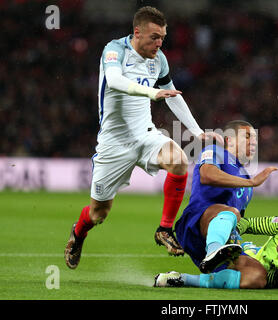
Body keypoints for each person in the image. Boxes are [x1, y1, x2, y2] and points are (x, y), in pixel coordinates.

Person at [64, 6, 222, 269]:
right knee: (98, 214)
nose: (159, 44)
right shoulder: (114, 50)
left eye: (162, 37)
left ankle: (164, 229)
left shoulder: (159, 60)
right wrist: (151, 94)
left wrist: (196, 131)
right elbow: (114, 81)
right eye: (154, 37)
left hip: (145, 135)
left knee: (179, 160)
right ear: (137, 32)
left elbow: (173, 95)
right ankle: (78, 233)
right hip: (114, 144)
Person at [154, 119, 278, 289]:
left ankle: (181, 279)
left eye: (256, 140)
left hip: (220, 240)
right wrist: (252, 183)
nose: (253, 143)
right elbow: (207, 175)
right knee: (232, 212)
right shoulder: (215, 152)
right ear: (229, 140)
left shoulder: (247, 182)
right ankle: (214, 250)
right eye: (248, 136)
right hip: (196, 222)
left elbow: (236, 223)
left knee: (257, 276)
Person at [154, 211, 278, 289]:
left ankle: (181, 279)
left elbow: (271, 281)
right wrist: (236, 231)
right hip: (275, 245)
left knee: (255, 278)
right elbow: (250, 224)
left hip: (266, 265)